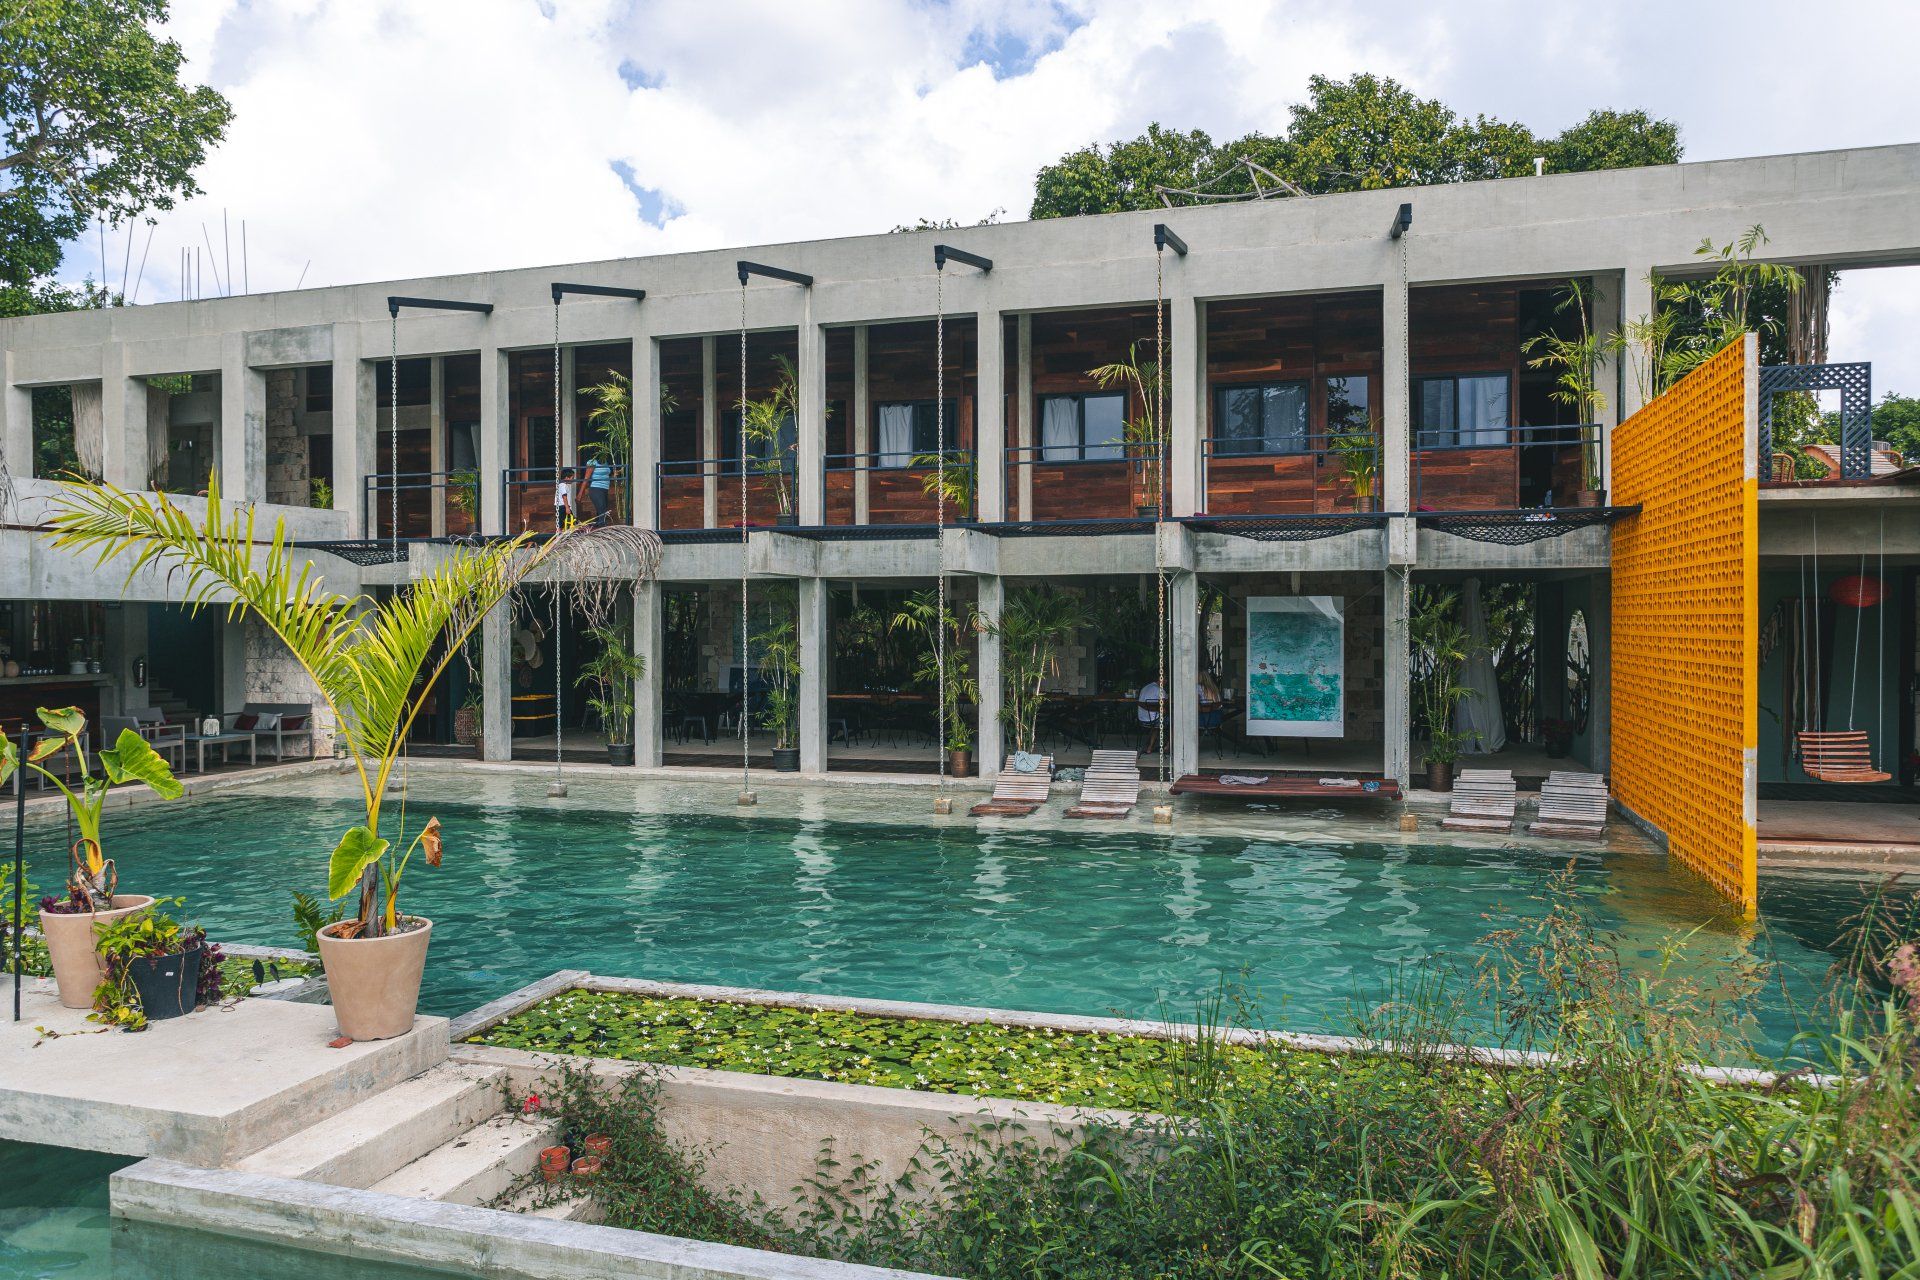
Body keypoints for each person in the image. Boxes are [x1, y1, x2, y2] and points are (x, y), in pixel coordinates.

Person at [581, 454, 614, 525]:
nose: (604, 457)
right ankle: (601, 529)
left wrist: (614, 475)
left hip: (605, 489)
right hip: (596, 488)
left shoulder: (606, 463)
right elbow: (586, 478)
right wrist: (580, 493)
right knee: (602, 511)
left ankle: (599, 527)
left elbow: (606, 476)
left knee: (602, 511)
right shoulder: (592, 462)